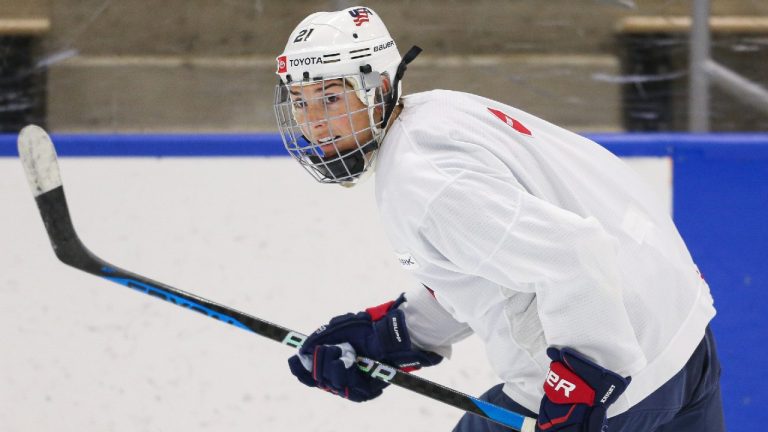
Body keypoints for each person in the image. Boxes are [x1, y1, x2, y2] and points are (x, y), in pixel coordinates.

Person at [273, 6, 725, 432]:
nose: (312, 121)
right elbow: (494, 268)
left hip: (621, 381)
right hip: (684, 345)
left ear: (378, 88)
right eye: (299, 100)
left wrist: (584, 386)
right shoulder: (439, 113)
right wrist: (392, 335)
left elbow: (573, 255)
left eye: (330, 98)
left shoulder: (422, 180)